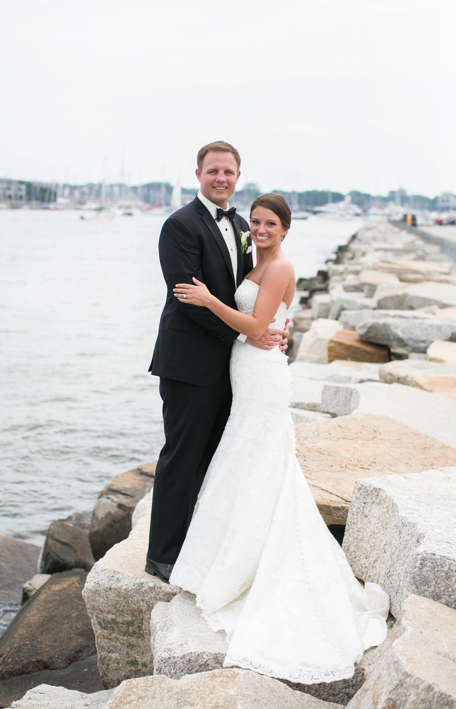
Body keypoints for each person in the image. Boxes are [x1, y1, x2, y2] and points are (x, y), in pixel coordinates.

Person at [169, 193, 388, 683]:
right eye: (256, 222)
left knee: (260, 460)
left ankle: (247, 565)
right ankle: (222, 558)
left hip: (261, 373)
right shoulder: (254, 260)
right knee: (243, 460)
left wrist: (207, 300)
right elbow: (262, 323)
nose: (261, 229)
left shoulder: (281, 267)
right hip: (245, 373)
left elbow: (255, 327)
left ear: (286, 229)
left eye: (270, 223)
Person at [147, 141, 284, 583]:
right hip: (189, 362)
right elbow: (188, 299)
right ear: (199, 174)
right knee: (182, 457)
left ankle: (197, 544)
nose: (220, 178)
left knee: (213, 459)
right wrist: (248, 332)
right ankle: (162, 555)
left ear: (238, 177)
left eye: (228, 172)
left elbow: (256, 289)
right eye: (213, 171)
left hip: (233, 366)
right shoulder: (179, 225)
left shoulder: (244, 225)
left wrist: (272, 327)